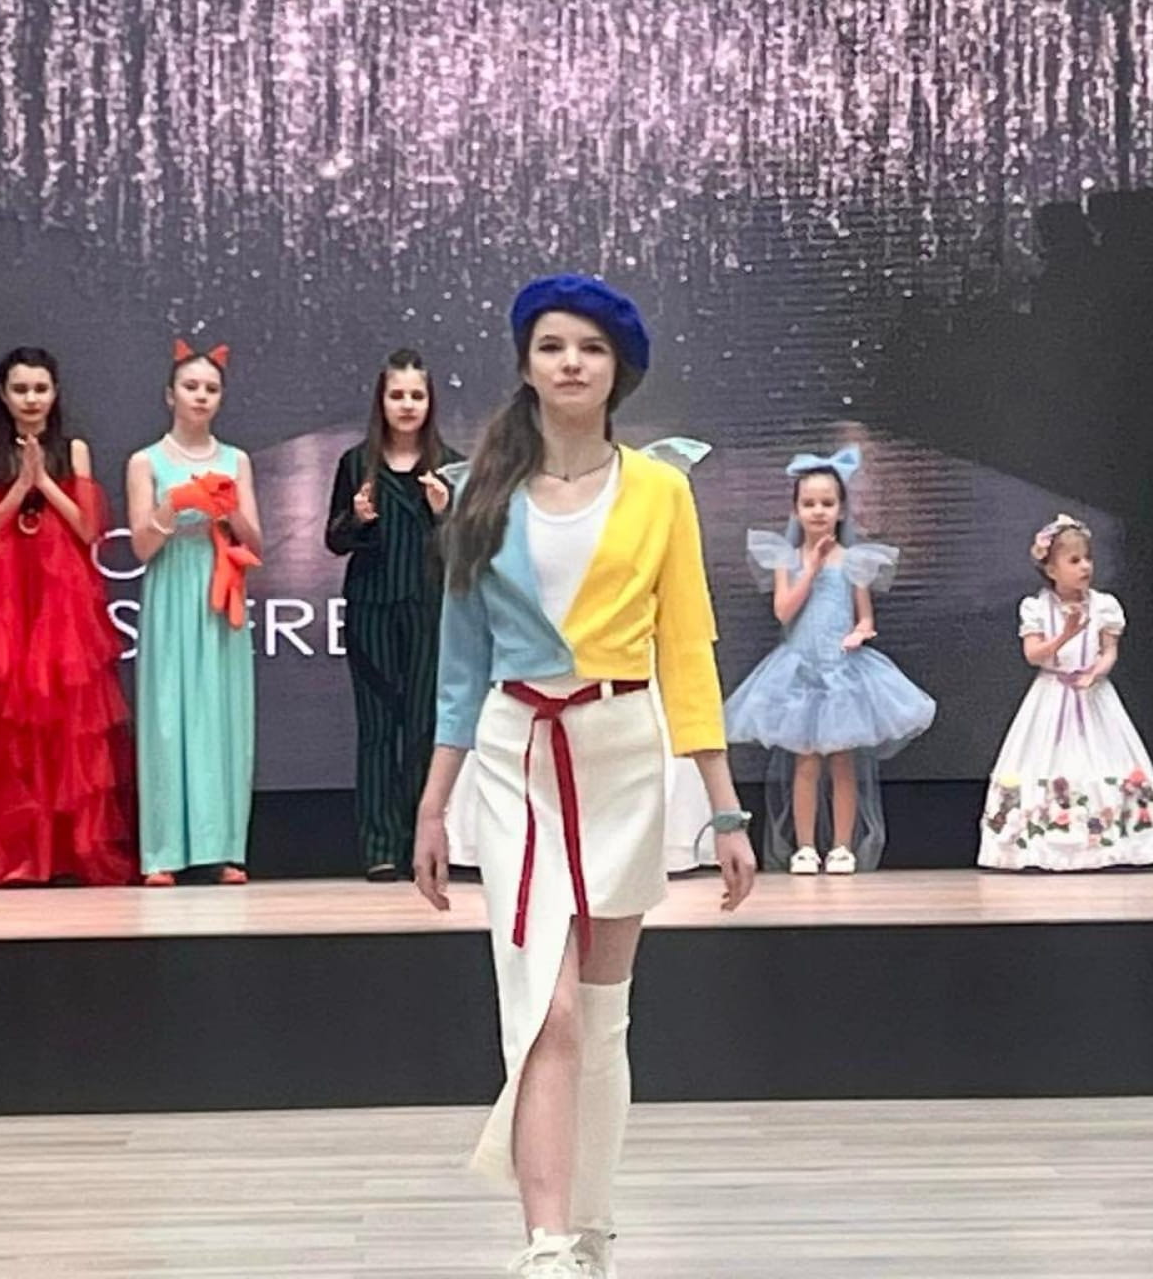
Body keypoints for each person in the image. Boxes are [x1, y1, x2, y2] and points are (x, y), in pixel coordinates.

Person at [412, 274, 756, 1279]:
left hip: (622, 756)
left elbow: (686, 646)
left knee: (602, 1015)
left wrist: (725, 808)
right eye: (553, 345)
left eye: (591, 348)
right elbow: (461, 663)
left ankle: (592, 1227)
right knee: (547, 1007)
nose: (571, 362)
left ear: (619, 371)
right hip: (516, 755)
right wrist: (432, 802)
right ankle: (546, 1241)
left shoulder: (661, 491)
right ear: (525, 364)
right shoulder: (480, 491)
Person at [724, 446, 935, 875]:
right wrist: (812, 569)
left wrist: (861, 632)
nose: (818, 511)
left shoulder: (854, 561)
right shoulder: (786, 559)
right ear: (796, 509)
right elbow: (784, 611)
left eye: (827, 503)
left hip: (842, 672)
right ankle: (805, 847)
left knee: (843, 763)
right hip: (799, 671)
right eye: (809, 503)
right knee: (805, 763)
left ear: (841, 510)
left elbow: (864, 616)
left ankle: (841, 846)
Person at [0, 346, 134, 885]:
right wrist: (19, 484)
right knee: (10, 727)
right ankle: (20, 856)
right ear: (3, 394)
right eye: (20, 389)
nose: (31, 399)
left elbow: (88, 529)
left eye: (40, 388)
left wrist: (43, 482)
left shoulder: (73, 450)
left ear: (55, 392)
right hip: (9, 600)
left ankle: (68, 852)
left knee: (69, 721)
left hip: (63, 599)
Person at [127, 341, 262, 886]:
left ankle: (225, 847)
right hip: (171, 590)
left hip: (221, 588)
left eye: (211, 388)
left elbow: (257, 541)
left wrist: (229, 510)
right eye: (191, 387)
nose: (201, 396)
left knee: (223, 715)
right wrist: (175, 503)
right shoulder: (146, 461)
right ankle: (162, 852)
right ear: (170, 395)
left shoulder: (236, 460)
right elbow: (141, 547)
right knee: (167, 717)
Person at [325, 347, 461, 880]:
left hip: (429, 609)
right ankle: (380, 846)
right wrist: (357, 519)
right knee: (378, 728)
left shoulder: (449, 465)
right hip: (372, 611)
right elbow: (334, 540)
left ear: (430, 402)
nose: (407, 405)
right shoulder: (356, 464)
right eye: (397, 395)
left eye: (416, 396)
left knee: (424, 725)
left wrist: (444, 514)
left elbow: (468, 546)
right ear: (381, 401)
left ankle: (419, 845)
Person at [979, 513, 1153, 870]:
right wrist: (1066, 633)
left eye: (1088, 559)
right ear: (1051, 569)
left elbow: (1109, 651)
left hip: (1094, 697)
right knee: (1048, 761)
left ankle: (1110, 839)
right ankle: (1043, 841)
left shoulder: (1104, 606)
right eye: (1074, 560)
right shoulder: (1036, 608)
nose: (1085, 567)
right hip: (1052, 695)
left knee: (1100, 760)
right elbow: (1034, 655)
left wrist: (1096, 672)